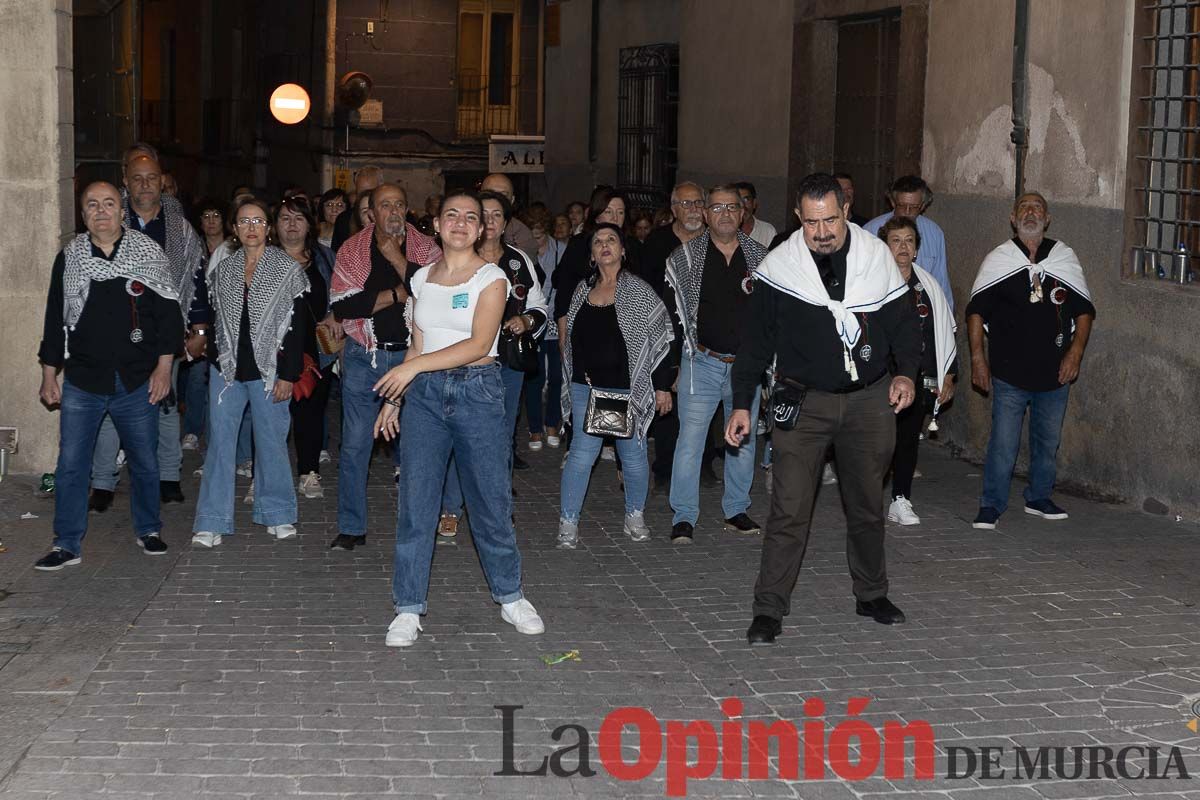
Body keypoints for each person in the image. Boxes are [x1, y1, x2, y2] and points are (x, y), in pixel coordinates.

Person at [728, 173, 922, 645]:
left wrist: (906, 374)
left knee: (866, 506)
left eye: (830, 220)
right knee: (789, 509)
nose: (822, 232)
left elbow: (903, 322)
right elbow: (754, 345)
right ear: (799, 218)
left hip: (869, 401)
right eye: (812, 222)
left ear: (846, 211)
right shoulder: (780, 269)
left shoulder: (875, 258)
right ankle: (769, 609)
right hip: (803, 402)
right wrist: (741, 406)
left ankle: (872, 594)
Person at [373, 191, 545, 647]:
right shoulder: (422, 279)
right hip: (425, 398)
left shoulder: (492, 279)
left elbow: (478, 341)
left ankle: (510, 595)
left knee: (490, 502)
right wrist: (395, 398)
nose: (462, 222)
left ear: (483, 228)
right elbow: (418, 341)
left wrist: (411, 367)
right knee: (416, 504)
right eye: (453, 215)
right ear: (436, 223)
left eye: (472, 217)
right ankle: (407, 608)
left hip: (478, 391)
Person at [34, 181, 182, 570]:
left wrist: (164, 368)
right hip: (84, 378)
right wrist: (50, 375)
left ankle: (149, 529)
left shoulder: (148, 253)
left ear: (123, 211)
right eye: (92, 205)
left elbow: (169, 316)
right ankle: (66, 543)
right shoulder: (70, 258)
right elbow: (55, 319)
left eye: (109, 204)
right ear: (83, 216)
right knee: (71, 464)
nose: (101, 211)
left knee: (145, 461)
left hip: (136, 379)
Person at [966, 192, 1095, 530]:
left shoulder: (1063, 257)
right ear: (1013, 217)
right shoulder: (1000, 259)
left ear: (1047, 218)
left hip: (1055, 372)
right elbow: (976, 311)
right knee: (1004, 443)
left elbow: (1083, 312)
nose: (1030, 212)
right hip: (1009, 371)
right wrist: (978, 358)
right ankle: (991, 504)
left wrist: (1076, 353)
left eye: (1037, 207)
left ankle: (1038, 497)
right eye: (1024, 207)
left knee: (1047, 442)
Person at [89, 145, 207, 511]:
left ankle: (168, 479)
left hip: (163, 335)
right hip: (114, 335)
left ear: (162, 182)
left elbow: (197, 278)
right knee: (110, 408)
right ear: (125, 181)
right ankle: (103, 483)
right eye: (137, 178)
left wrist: (200, 331)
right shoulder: (109, 221)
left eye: (151, 178)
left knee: (166, 406)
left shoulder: (179, 229)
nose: (144, 185)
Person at [190, 197, 310, 548]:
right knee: (220, 445)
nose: (251, 228)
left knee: (272, 443)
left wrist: (288, 374)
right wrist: (209, 348)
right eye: (244, 222)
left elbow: (297, 328)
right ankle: (211, 520)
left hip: (271, 370)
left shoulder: (287, 269)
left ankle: (278, 514)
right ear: (234, 228)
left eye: (258, 221)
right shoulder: (223, 270)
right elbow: (212, 320)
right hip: (227, 369)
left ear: (269, 228)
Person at [329, 183, 442, 551]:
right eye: (384, 205)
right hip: (366, 357)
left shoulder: (427, 249)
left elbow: (436, 298)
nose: (393, 211)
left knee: (417, 448)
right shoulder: (351, 249)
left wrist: (397, 259)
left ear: (407, 210)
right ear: (371, 213)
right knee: (355, 445)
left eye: (399, 204)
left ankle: (416, 527)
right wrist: (398, 293)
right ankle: (351, 527)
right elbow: (345, 306)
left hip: (416, 359)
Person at [437, 190, 548, 536]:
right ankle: (451, 508)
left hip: (508, 365)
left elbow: (540, 306)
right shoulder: (458, 260)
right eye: (481, 214)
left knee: (500, 438)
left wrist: (526, 321)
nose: (489, 222)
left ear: (505, 223)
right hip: (465, 362)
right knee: (461, 435)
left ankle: (498, 511)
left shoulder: (518, 262)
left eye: (497, 215)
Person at [557, 222, 675, 549]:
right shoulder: (582, 291)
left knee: (633, 454)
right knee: (581, 454)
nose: (605, 245)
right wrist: (582, 374)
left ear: (623, 251)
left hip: (626, 388)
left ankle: (634, 515)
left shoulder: (639, 291)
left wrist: (662, 386)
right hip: (587, 388)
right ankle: (568, 522)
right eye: (598, 242)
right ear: (592, 254)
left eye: (612, 240)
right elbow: (572, 344)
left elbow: (661, 338)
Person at [666, 185, 769, 544]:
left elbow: (774, 315)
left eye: (732, 207)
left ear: (743, 213)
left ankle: (736, 509)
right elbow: (674, 315)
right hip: (701, 360)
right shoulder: (685, 258)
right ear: (706, 214)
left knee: (742, 440)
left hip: (747, 366)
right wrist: (673, 368)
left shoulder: (762, 257)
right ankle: (683, 515)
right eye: (717, 208)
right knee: (690, 441)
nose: (725, 213)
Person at [877, 217, 957, 526]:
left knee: (908, 439)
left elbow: (943, 334)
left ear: (917, 249)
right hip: (878, 379)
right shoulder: (870, 281)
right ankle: (868, 497)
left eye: (909, 240)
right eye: (896, 240)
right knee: (877, 442)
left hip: (917, 378)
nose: (902, 246)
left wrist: (947, 375)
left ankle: (901, 498)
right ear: (885, 246)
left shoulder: (928, 286)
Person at [637, 181, 707, 491]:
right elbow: (643, 289)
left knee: (703, 405)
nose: (693, 209)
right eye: (687, 204)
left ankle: (702, 466)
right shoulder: (657, 242)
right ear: (674, 208)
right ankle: (664, 468)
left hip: (705, 337)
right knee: (666, 402)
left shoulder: (712, 241)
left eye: (698, 203)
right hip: (665, 335)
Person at [274, 197, 340, 499]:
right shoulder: (265, 258)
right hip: (272, 349)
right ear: (275, 225)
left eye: (298, 219)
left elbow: (342, 294)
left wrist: (334, 314)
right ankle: (265, 477)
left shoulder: (325, 258)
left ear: (309, 225)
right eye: (285, 218)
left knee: (311, 413)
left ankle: (309, 472)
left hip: (316, 349)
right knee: (270, 416)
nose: (291, 225)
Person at [180, 197, 227, 451]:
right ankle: (192, 430)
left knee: (220, 379)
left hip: (224, 322)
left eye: (216, 216)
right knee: (197, 377)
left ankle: (215, 434)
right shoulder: (192, 246)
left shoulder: (233, 248)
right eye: (206, 216)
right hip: (198, 320)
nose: (211, 221)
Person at [863, 175, 953, 309]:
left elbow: (941, 282)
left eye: (913, 207)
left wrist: (947, 321)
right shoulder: (870, 231)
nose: (906, 212)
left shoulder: (934, 233)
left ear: (923, 206)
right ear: (893, 203)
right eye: (902, 205)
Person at [524, 213, 565, 451]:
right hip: (533, 321)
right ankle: (535, 429)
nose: (536, 234)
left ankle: (553, 424)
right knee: (535, 377)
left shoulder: (561, 250)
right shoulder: (523, 253)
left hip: (556, 320)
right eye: (532, 230)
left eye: (540, 229)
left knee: (558, 377)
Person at [480, 173, 539, 259]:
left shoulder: (523, 237)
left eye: (503, 195)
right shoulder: (465, 227)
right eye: (490, 194)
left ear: (512, 200)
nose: (496, 200)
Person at [332, 165, 382, 252]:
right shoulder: (344, 220)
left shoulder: (395, 217)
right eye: (361, 192)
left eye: (371, 192)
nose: (366, 197)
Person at [734, 182, 778, 249]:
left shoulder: (768, 231)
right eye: (737, 200)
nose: (742, 205)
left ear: (754, 203)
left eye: (746, 200)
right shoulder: (725, 231)